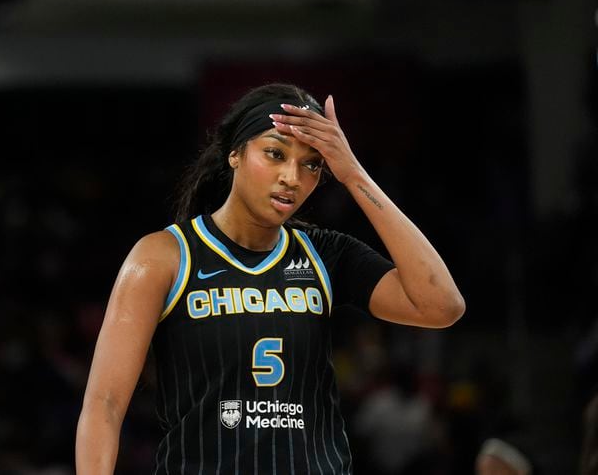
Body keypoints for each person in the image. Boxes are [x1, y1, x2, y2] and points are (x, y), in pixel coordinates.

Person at [75, 83, 466, 474]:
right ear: (235, 154)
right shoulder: (165, 257)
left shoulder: (325, 254)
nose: (292, 177)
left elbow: (441, 305)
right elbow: (104, 404)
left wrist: (353, 174)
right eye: (275, 154)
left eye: (312, 163)